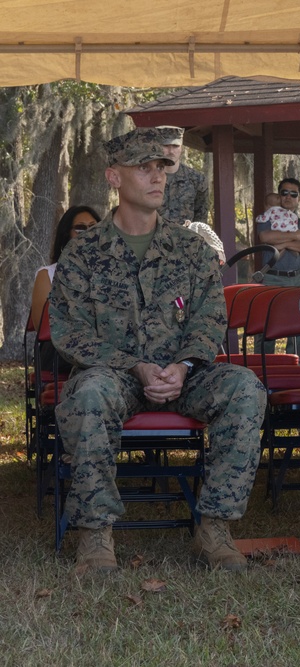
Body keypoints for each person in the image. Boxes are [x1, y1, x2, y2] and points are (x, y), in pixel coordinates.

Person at [49, 127, 266, 573]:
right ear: (114, 177)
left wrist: (184, 367)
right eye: (143, 168)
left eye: (161, 168)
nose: (157, 177)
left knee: (245, 388)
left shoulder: (191, 249)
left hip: (182, 376)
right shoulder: (83, 251)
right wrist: (138, 366)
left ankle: (215, 529)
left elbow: (209, 319)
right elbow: (69, 333)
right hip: (115, 376)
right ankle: (95, 536)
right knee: (88, 394)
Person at [30, 205, 102, 372]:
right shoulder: (48, 274)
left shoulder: (112, 273)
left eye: (94, 227)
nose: (89, 232)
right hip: (59, 351)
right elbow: (43, 328)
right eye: (80, 228)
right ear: (66, 234)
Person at [256, 177, 300, 358]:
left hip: (299, 278)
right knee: (267, 322)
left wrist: (282, 243)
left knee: (299, 323)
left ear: (299, 198)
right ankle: (263, 367)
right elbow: (266, 237)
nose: (288, 197)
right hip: (272, 277)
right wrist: (295, 237)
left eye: (294, 194)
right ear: (279, 195)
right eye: (284, 192)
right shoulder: (268, 216)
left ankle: (295, 363)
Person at [156, 125, 209, 225]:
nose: (171, 151)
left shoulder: (197, 179)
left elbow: (201, 221)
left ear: (182, 148)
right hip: (153, 239)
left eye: (175, 146)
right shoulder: (147, 178)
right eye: (166, 146)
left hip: (185, 239)